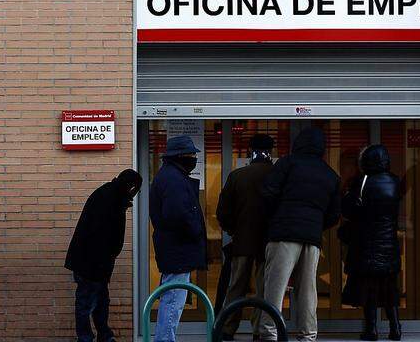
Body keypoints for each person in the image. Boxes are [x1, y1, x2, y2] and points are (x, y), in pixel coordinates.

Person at [260, 127, 341, 342]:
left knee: (275, 288)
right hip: (312, 237)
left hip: (283, 234)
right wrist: (315, 224)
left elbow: (267, 193)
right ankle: (308, 335)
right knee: (307, 291)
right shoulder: (330, 174)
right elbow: (334, 214)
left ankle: (270, 333)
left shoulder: (287, 163)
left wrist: (275, 218)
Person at [65, 169, 143, 342]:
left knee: (100, 302)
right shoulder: (109, 199)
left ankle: (104, 335)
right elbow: (100, 237)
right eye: (136, 190)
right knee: (87, 303)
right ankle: (87, 338)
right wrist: (103, 263)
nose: (135, 194)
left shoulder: (109, 194)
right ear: (131, 187)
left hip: (95, 264)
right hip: (91, 264)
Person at [339, 145, 402, 341]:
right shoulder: (394, 181)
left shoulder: (363, 182)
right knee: (390, 290)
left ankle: (372, 329)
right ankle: (396, 328)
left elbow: (350, 210)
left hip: (367, 244)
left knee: (370, 290)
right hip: (389, 245)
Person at [216, 134, 275, 340]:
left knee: (236, 287)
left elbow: (223, 211)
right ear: (271, 151)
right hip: (270, 242)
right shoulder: (277, 175)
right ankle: (260, 330)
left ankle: (227, 328)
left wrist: (233, 229)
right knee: (265, 289)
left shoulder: (237, 176)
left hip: (242, 240)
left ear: (251, 151)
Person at [149, 135, 207, 342]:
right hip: (178, 250)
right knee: (174, 301)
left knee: (172, 298)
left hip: (175, 249)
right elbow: (178, 215)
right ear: (180, 156)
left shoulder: (170, 175)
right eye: (191, 154)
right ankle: (165, 340)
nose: (194, 158)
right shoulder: (173, 179)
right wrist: (195, 231)